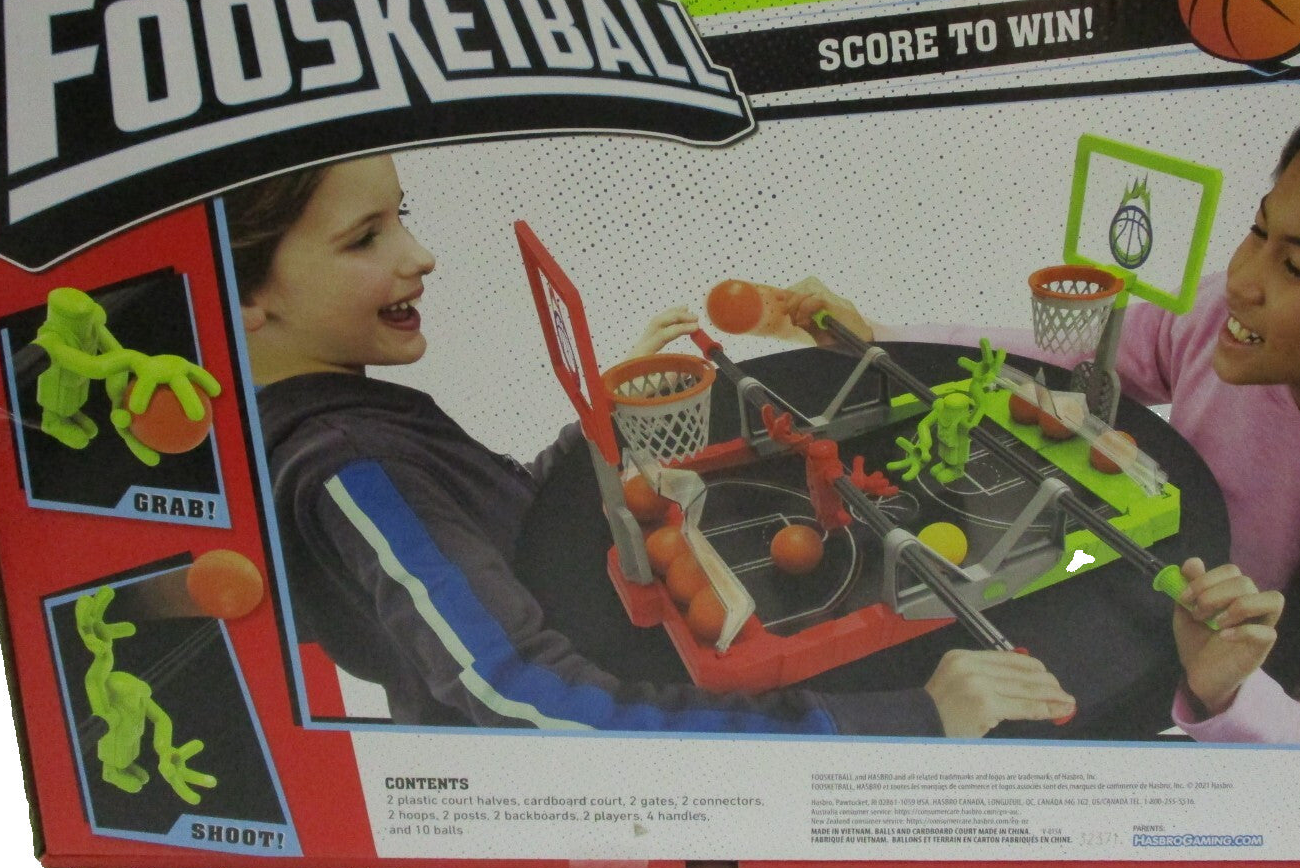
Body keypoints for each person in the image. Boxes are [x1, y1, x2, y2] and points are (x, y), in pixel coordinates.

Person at [224, 152, 1076, 737]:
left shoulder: (354, 414)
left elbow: (506, 518)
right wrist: (910, 717)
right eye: (364, 237)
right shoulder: (351, 466)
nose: (421, 255)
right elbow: (528, 701)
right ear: (246, 294)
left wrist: (608, 414)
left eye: (400, 216)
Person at [789, 88, 1300, 745]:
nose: (1243, 280)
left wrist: (1227, 689)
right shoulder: (1217, 319)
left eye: (1298, 268)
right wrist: (884, 338)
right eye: (1259, 230)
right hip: (1109, 590)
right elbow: (1060, 365)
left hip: (1168, 695)